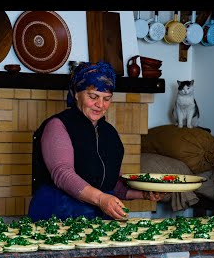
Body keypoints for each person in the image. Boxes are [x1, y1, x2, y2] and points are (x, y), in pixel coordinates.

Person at [28, 61, 166, 222]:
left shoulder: (110, 133)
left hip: (97, 217)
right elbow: (62, 174)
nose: (100, 105)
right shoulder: (58, 126)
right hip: (56, 214)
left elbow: (111, 184)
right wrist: (101, 199)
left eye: (106, 98)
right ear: (76, 93)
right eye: (93, 96)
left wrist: (144, 193)